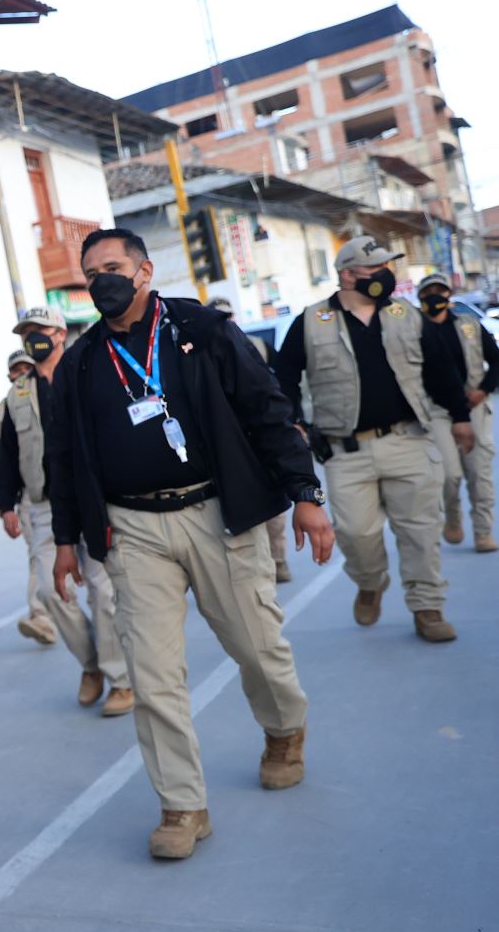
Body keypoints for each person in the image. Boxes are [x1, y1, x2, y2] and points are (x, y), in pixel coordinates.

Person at [48, 229, 332, 861]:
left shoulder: (200, 330)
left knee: (257, 647)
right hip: (134, 531)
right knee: (153, 676)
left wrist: (305, 494)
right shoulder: (83, 360)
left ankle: (284, 729)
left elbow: (266, 408)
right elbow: (63, 457)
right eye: (91, 274)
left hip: (216, 513)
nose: (101, 282)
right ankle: (182, 804)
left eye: (113, 268)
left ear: (145, 270)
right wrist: (66, 539)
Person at [273, 236, 473, 641]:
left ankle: (427, 607)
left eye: (387, 267)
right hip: (346, 452)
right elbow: (283, 379)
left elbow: (441, 370)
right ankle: (370, 581)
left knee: (419, 531)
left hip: (408, 440)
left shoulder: (406, 314)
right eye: (375, 269)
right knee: (356, 534)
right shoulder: (311, 321)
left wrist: (461, 417)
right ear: (347, 275)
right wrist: (291, 421)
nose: (385, 275)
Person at [0, 308, 130, 714]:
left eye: (41, 331)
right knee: (54, 593)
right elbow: (4, 454)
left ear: (61, 333)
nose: (34, 338)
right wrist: (5, 505)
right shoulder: (14, 398)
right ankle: (91, 666)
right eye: (27, 333)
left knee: (104, 592)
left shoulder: (89, 374)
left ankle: (120, 679)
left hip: (93, 500)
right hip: (43, 507)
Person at [208, 297, 291, 582]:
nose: (224, 321)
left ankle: (278, 559)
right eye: (217, 316)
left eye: (227, 315)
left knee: (275, 506)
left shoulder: (257, 345)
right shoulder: (197, 353)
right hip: (229, 441)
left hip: (260, 436)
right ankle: (258, 565)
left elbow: (279, 388)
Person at [417, 272, 497, 551]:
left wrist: (483, 390)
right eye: (428, 293)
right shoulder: (415, 331)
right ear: (420, 298)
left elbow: (496, 361)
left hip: (472, 406)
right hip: (435, 410)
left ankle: (483, 531)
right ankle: (452, 514)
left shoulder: (469, 325)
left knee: (479, 473)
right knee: (448, 474)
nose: (435, 298)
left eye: (440, 291)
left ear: (449, 296)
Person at [0, 353, 57, 646]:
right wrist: (4, 504)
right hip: (32, 498)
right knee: (39, 557)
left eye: (25, 368)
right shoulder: (3, 411)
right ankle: (41, 615)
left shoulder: (56, 393)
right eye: (15, 369)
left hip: (68, 492)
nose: (20, 374)